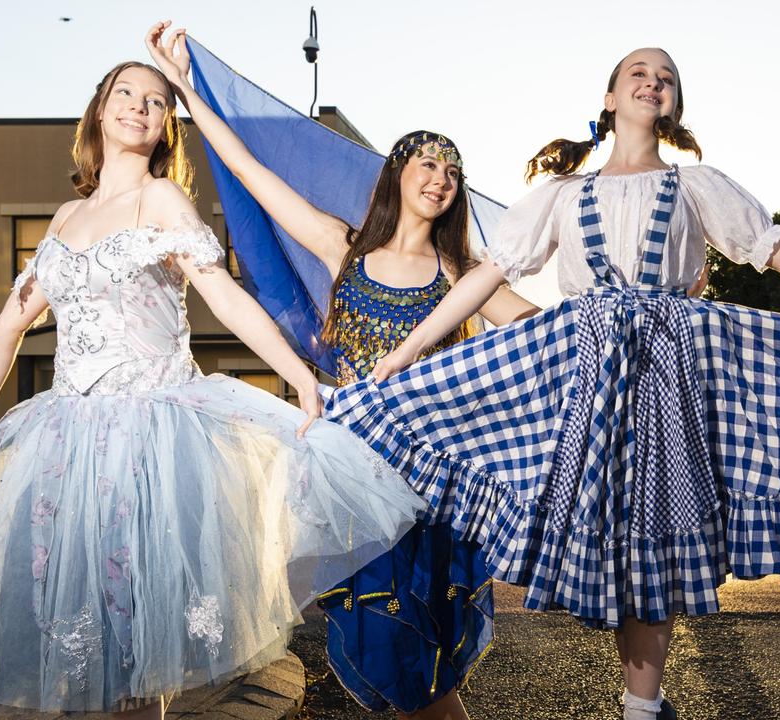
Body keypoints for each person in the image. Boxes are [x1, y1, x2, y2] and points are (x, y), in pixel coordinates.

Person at [330, 47, 780, 720]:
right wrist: (410, 349)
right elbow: (487, 276)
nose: (654, 81)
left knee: (657, 537)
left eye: (666, 76)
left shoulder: (699, 188)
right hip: (582, 377)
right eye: (639, 73)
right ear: (609, 99)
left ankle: (642, 706)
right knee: (605, 529)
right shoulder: (560, 195)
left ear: (673, 105)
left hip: (669, 376)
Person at [0, 59, 425, 719]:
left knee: (140, 634)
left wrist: (296, 376)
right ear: (99, 110)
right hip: (67, 443)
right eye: (126, 94)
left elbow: (225, 298)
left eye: (155, 101)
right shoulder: (64, 218)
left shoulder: (161, 200)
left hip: (152, 437)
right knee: (81, 634)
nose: (139, 107)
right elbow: (11, 323)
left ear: (166, 125)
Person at [144, 22, 538, 719]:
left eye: (453, 172)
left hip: (434, 476)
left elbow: (543, 324)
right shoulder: (342, 247)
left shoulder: (464, 273)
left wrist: (637, 302)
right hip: (355, 469)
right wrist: (185, 88)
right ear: (397, 173)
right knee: (379, 636)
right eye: (428, 165)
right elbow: (249, 172)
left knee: (430, 667)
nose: (441, 179)